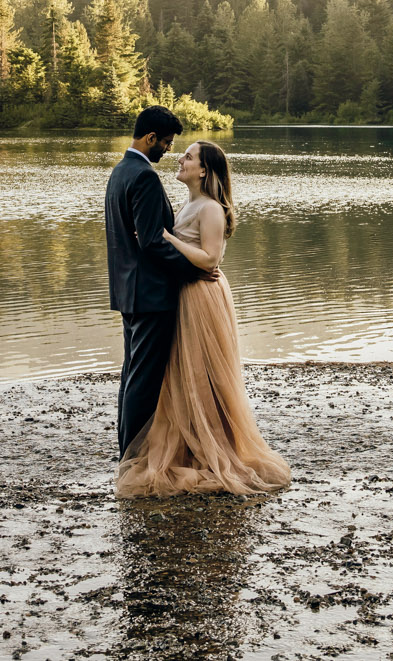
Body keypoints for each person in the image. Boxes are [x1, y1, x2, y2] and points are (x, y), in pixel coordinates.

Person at [114, 138, 290, 497]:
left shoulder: (210, 207)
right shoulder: (189, 204)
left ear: (204, 170)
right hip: (184, 292)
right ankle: (191, 444)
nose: (181, 159)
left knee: (203, 372)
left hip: (202, 294)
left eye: (189, 157)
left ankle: (213, 449)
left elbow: (210, 260)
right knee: (183, 373)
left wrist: (166, 237)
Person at [105, 104, 211, 458]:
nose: (168, 150)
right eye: (165, 142)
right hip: (150, 295)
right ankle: (132, 458)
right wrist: (194, 271)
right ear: (150, 137)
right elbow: (152, 241)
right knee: (144, 382)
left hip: (126, 291)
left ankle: (126, 451)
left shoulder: (120, 171)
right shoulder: (145, 176)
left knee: (131, 375)